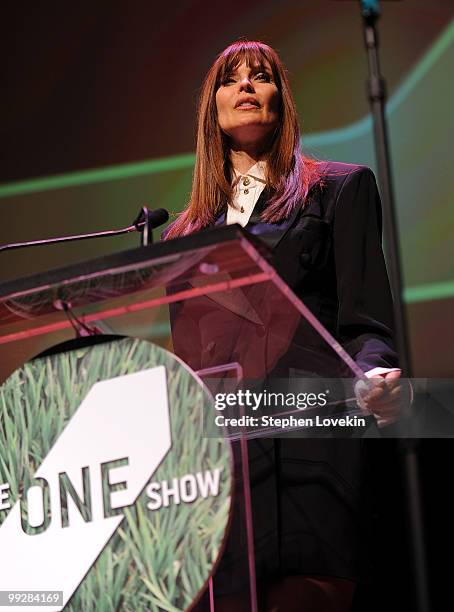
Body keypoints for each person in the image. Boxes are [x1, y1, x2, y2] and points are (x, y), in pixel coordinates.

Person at [164, 40, 402, 612]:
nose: (246, 85)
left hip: (311, 451)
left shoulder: (338, 191)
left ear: (281, 99)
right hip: (222, 471)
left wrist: (376, 377)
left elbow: (367, 324)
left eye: (261, 76)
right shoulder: (181, 239)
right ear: (212, 108)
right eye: (231, 79)